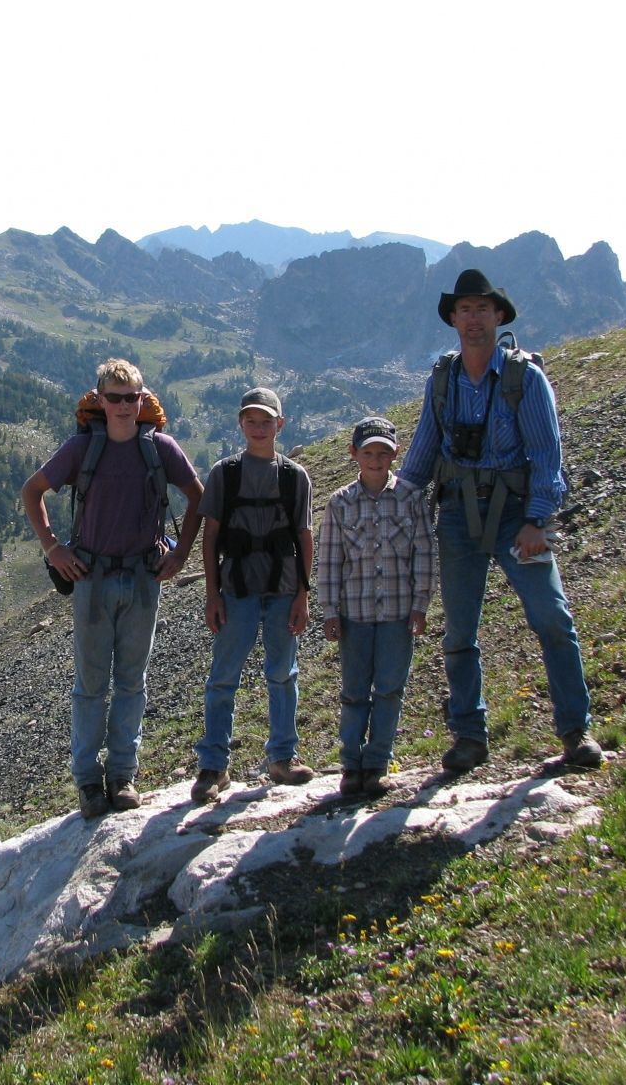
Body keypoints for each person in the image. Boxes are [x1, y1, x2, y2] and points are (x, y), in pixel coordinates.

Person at [398, 268, 603, 772]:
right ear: (453, 319)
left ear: (499, 316)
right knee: (459, 632)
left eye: (482, 309)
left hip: (517, 516)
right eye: (464, 310)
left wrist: (537, 520)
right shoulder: (442, 379)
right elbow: (425, 445)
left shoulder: (525, 378)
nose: (473, 319)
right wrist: (396, 498)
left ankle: (575, 731)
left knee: (551, 616)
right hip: (457, 514)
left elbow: (546, 454)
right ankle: (470, 736)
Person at [21, 358, 203, 819]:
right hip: (93, 578)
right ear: (100, 400)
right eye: (115, 397)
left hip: (143, 577)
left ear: (143, 400)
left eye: (131, 397)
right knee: (90, 685)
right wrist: (53, 549)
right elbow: (32, 490)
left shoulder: (159, 447)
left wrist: (180, 554)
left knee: (131, 682)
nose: (123, 406)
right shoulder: (83, 449)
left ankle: (122, 775)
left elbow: (199, 495)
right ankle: (88, 781)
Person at [191, 387, 315, 804]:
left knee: (282, 673)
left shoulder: (294, 477)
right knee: (223, 677)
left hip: (282, 590)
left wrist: (303, 594)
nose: (259, 428)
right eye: (251, 420)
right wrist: (212, 595)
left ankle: (282, 757)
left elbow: (304, 536)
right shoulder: (223, 473)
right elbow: (209, 538)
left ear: (280, 425)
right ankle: (214, 765)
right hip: (238, 589)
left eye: (267, 421)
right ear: (240, 424)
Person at [318, 415, 435, 797]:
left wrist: (421, 604)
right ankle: (351, 765)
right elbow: (331, 561)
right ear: (354, 454)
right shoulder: (339, 503)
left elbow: (424, 553)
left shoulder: (411, 499)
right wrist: (330, 611)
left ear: (395, 454)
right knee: (353, 691)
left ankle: (378, 762)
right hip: (355, 614)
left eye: (383, 453)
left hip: (398, 614)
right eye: (368, 452)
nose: (375, 459)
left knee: (389, 688)